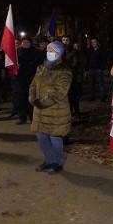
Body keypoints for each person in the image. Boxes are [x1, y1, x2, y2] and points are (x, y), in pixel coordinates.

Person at [30, 41, 73, 174]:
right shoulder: (42, 67)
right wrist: (32, 98)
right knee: (41, 136)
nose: (48, 53)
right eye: (47, 50)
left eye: (51, 51)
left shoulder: (64, 70)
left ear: (59, 53)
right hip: (40, 110)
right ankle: (48, 160)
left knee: (55, 137)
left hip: (56, 110)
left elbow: (60, 92)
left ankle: (56, 162)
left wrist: (43, 103)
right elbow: (33, 84)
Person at [13, 36, 44, 125]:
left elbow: (40, 65)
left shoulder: (36, 53)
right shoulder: (16, 53)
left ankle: (32, 117)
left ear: (30, 43)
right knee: (21, 98)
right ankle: (22, 116)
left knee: (32, 98)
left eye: (27, 42)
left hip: (32, 78)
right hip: (20, 79)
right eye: (23, 42)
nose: (25, 44)